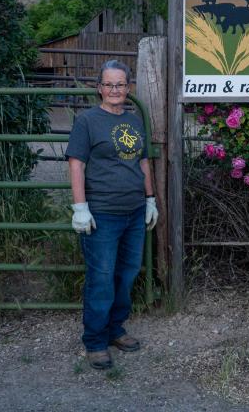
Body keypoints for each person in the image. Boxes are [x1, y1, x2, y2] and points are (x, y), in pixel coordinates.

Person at [65, 60, 158, 370]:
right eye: (109, 84)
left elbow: (143, 163)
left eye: (121, 84)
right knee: (101, 278)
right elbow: (76, 164)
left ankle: (115, 329)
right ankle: (95, 341)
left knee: (126, 273)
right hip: (102, 213)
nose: (115, 89)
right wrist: (80, 208)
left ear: (128, 88)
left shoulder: (134, 122)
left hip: (133, 212)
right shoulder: (87, 121)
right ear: (100, 88)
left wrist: (150, 199)